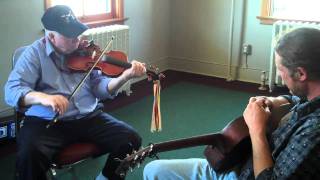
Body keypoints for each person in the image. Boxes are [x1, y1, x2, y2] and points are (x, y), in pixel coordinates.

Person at [143, 27, 320, 179]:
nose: (280, 76)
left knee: (153, 170)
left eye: (281, 70)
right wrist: (274, 101)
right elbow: (297, 100)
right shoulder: (313, 98)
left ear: (301, 74)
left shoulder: (313, 132)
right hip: (245, 162)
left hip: (243, 175)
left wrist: (256, 130)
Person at [5, 5, 146, 180]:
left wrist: (124, 77)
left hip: (88, 117)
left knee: (131, 139)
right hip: (47, 122)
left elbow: (99, 88)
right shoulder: (34, 54)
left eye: (78, 33)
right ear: (51, 37)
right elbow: (12, 91)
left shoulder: (88, 52)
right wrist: (42, 97)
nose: (77, 40)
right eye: (70, 36)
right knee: (29, 155)